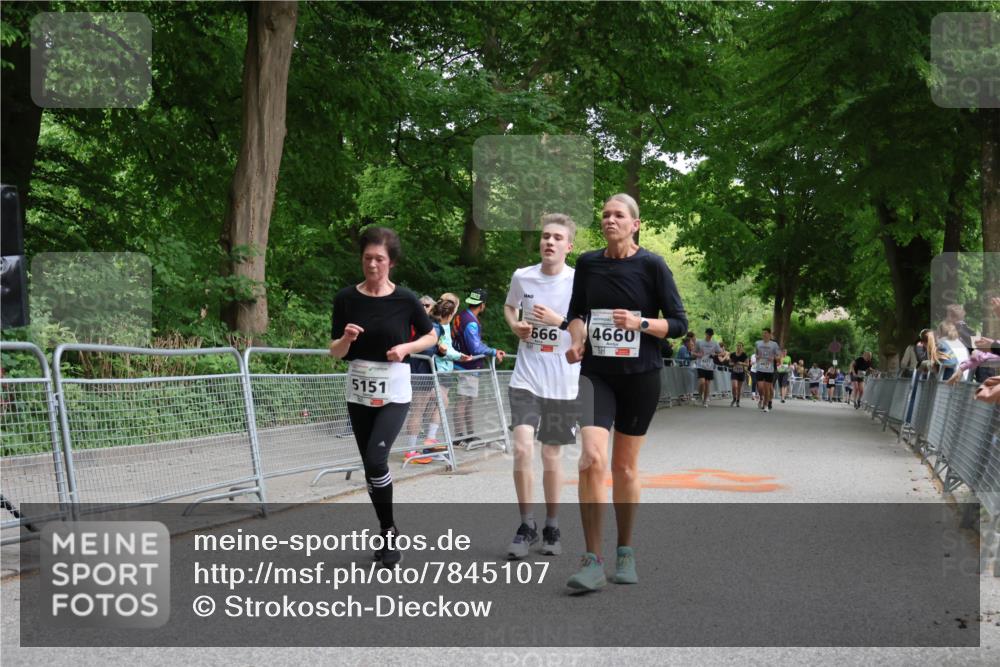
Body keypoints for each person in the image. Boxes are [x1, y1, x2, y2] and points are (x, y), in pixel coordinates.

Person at [563, 193, 687, 592]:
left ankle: (625, 550)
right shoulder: (588, 263)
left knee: (625, 469)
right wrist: (577, 339)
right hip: (596, 373)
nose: (609, 220)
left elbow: (679, 323)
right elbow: (577, 314)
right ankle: (592, 559)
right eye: (605, 215)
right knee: (590, 460)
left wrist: (641, 323)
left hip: (640, 374)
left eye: (619, 215)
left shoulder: (652, 265)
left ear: (635, 224)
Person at [329, 227, 438, 567]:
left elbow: (431, 335)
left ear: (391, 262)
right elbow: (335, 352)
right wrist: (346, 338)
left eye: (379, 259)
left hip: (394, 391)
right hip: (359, 392)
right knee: (370, 467)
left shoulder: (405, 299)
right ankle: (386, 527)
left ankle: (390, 534)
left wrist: (406, 347)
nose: (372, 265)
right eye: (367, 259)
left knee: (377, 460)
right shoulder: (346, 298)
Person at [502, 213, 580, 559]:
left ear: (569, 246)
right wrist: (515, 325)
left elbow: (585, 334)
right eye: (545, 236)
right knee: (521, 448)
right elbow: (509, 306)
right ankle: (526, 524)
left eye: (557, 238)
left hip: (562, 383)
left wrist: (558, 322)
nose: (549, 242)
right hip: (526, 378)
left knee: (551, 455)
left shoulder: (580, 282)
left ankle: (552, 524)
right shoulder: (523, 276)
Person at [452, 288, 507, 445]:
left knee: (467, 401)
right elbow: (475, 348)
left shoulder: (461, 315)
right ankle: (460, 437)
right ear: (482, 305)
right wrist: (494, 351)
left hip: (461, 364)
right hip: (467, 367)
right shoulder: (471, 323)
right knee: (463, 401)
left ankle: (469, 435)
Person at [694, 328, 722, 407]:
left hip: (710, 366)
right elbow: (693, 352)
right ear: (705, 334)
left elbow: (721, 353)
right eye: (708, 334)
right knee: (702, 382)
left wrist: (715, 355)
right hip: (701, 365)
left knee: (707, 384)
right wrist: (698, 355)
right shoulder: (699, 342)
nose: (709, 336)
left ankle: (705, 401)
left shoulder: (715, 343)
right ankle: (699, 396)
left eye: (711, 335)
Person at [754, 328, 781, 412]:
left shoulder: (774, 344)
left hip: (769, 369)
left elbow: (779, 357)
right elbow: (756, 353)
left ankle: (766, 405)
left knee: (767, 388)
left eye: (766, 333)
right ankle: (761, 398)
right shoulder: (758, 343)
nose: (764, 335)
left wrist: (774, 358)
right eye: (763, 333)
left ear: (770, 334)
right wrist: (757, 356)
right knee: (761, 387)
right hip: (760, 368)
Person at [729, 342, 748, 407]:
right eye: (737, 346)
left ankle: (738, 401)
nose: (738, 347)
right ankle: (734, 398)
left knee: (739, 389)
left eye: (740, 346)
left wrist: (741, 363)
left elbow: (747, 364)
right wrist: (733, 364)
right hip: (734, 372)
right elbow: (729, 363)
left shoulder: (744, 355)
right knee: (734, 386)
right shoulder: (732, 354)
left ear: (742, 347)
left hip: (741, 372)